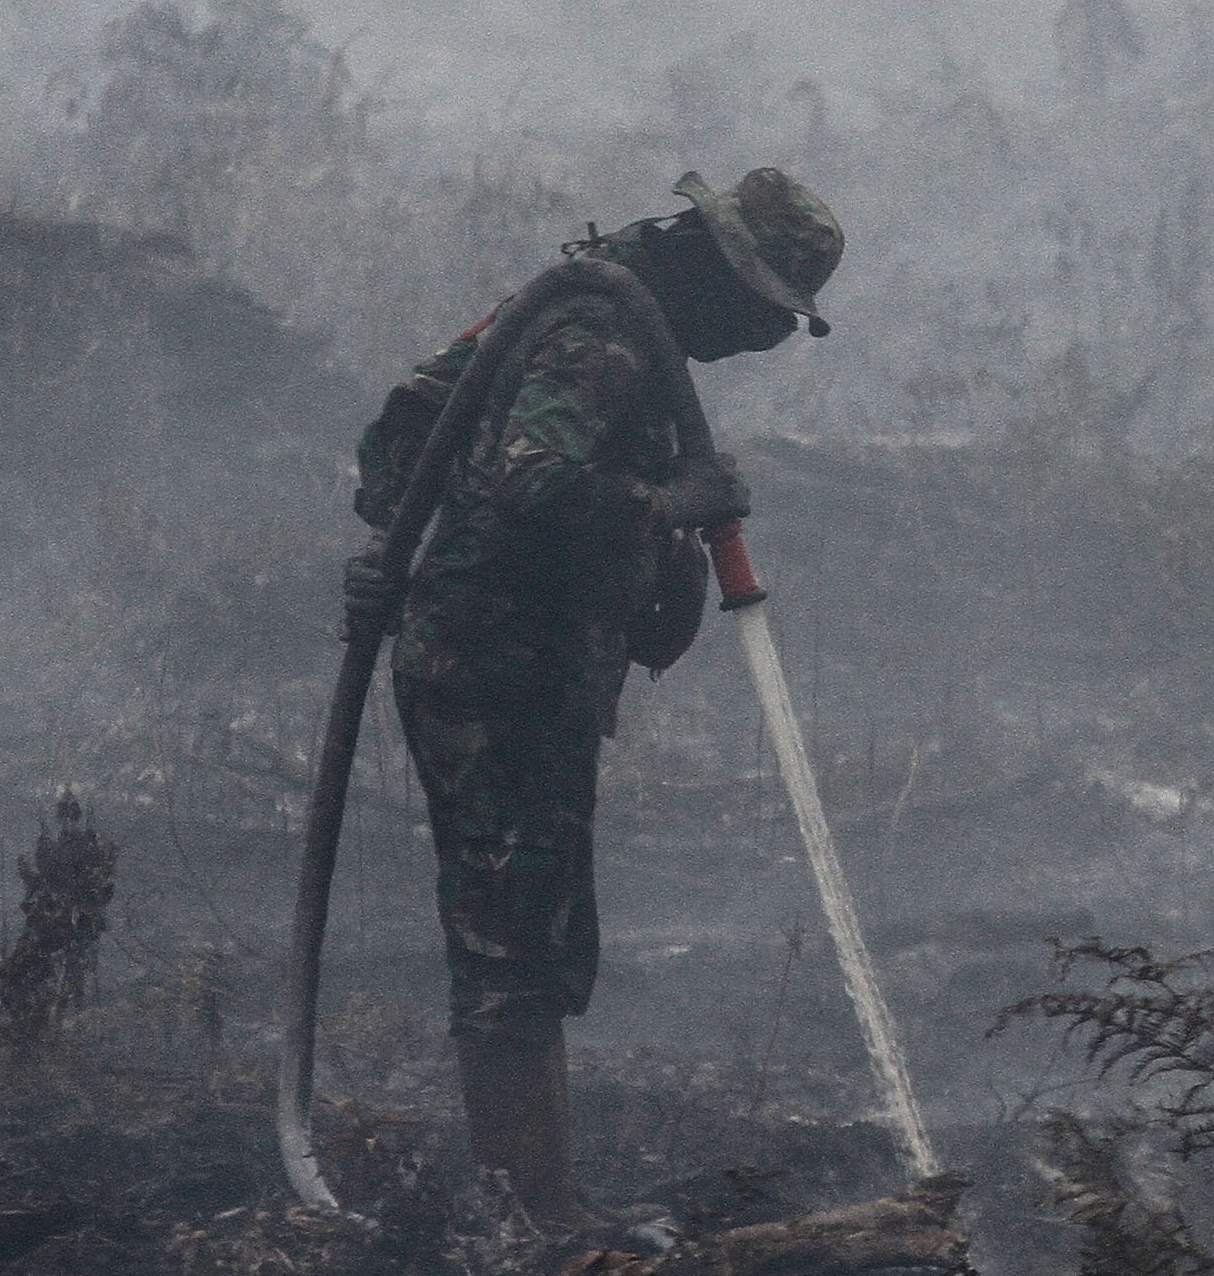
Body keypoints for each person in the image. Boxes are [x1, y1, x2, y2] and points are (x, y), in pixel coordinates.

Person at [347, 166, 842, 1221]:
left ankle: (545, 1196)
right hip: (493, 676)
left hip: (524, 673)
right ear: (716, 268)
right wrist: (669, 502)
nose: (759, 338)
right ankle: (529, 1215)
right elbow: (527, 479)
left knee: (537, 933)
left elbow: (467, 457)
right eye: (760, 309)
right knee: (510, 943)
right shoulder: (604, 334)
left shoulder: (612, 313)